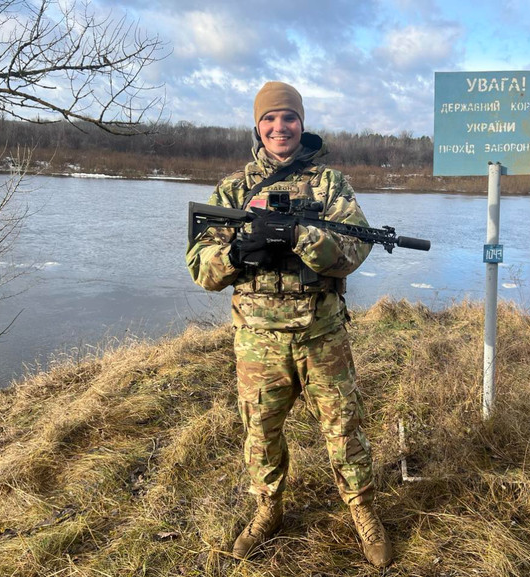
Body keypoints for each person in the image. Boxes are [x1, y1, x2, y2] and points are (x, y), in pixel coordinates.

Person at [185, 81, 393, 567]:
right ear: (257, 127)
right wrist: (237, 252)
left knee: (345, 425)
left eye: (289, 118)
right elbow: (200, 267)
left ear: (302, 124)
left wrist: (301, 236)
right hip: (258, 340)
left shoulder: (328, 184)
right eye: (270, 119)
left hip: (322, 335)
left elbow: (352, 252)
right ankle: (268, 510)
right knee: (261, 429)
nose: (280, 127)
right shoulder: (234, 189)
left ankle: (362, 510)